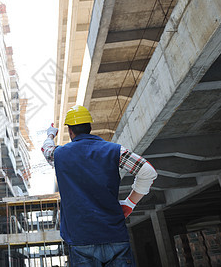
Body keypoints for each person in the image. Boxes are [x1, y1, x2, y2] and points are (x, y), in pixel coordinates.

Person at [41, 105, 157, 266]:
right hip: (115, 236)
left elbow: (46, 150)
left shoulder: (60, 155)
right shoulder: (114, 150)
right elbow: (148, 172)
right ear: (90, 127)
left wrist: (50, 134)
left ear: (70, 131)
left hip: (81, 239)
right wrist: (130, 204)